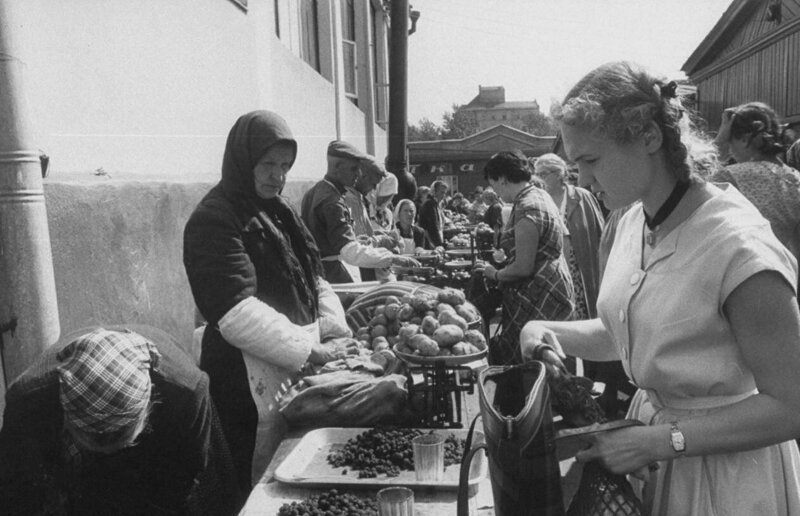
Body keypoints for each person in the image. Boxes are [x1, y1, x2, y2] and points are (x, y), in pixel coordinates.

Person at [521, 61, 800, 514]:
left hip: (727, 479)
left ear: (650, 137)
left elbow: (791, 406)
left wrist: (661, 441)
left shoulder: (738, 248)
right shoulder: (634, 219)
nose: (584, 181)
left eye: (591, 161)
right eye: (575, 166)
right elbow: (637, 334)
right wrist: (547, 329)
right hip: (649, 451)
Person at [184, 112, 361, 493]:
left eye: (284, 165)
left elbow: (314, 278)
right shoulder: (214, 218)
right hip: (243, 382)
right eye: (267, 164)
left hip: (293, 369)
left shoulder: (281, 211)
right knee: (253, 482)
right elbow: (235, 312)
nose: (277, 175)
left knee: (292, 474)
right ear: (243, 160)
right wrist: (310, 349)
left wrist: (333, 330)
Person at [0, 325, 242, 516]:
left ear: (148, 408)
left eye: (121, 441)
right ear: (67, 420)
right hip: (70, 460)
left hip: (162, 439)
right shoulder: (28, 401)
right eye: (95, 444)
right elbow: (16, 492)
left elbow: (182, 476)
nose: (109, 453)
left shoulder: (187, 391)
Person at [474, 150, 575, 368]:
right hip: (553, 288)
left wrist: (495, 273)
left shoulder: (527, 207)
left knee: (538, 368)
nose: (497, 192)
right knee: (551, 364)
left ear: (502, 179)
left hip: (539, 296)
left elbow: (523, 267)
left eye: (495, 185)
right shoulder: (540, 195)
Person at [301, 140, 418, 283]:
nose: (358, 173)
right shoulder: (332, 201)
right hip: (335, 274)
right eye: (353, 168)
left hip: (322, 272)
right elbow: (349, 250)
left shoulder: (316, 191)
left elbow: (327, 237)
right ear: (337, 167)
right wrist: (391, 258)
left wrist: (358, 239)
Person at [711, 102, 800, 262]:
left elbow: (688, 185)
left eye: (731, 143)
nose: (730, 152)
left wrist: (720, 141)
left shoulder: (731, 176)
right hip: (781, 270)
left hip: (742, 267)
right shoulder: (794, 179)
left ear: (745, 139)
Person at [534, 153, 604, 322]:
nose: (539, 179)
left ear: (558, 174)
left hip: (579, 267)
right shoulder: (539, 200)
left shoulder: (581, 196)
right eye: (537, 174)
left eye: (544, 174)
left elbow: (600, 231)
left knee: (582, 311)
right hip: (552, 270)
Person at [418, 180, 448, 248]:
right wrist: (439, 245)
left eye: (445, 193)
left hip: (434, 240)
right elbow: (432, 227)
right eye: (441, 192)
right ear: (434, 192)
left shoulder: (436, 205)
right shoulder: (430, 204)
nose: (443, 196)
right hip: (429, 243)